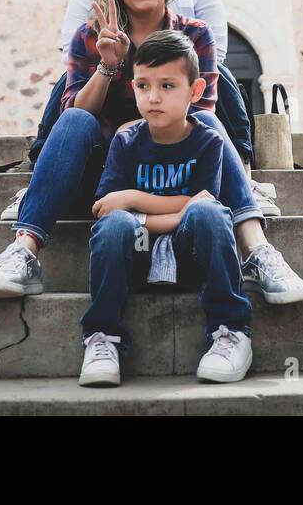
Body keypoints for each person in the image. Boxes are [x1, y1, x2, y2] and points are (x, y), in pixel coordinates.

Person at [0, 0, 303, 305]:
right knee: (72, 119)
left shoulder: (194, 36)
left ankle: (258, 252)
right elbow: (75, 115)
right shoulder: (91, 37)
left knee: (207, 122)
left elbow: (196, 117)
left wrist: (130, 129)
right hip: (109, 179)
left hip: (179, 171)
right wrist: (107, 66)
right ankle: (24, 252)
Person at [10, 0, 279, 217]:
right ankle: (41, 175)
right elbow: (73, 41)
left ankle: (242, 174)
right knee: (69, 83)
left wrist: (171, 68)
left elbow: (216, 42)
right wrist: (109, 60)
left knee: (220, 76)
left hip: (181, 80)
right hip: (116, 77)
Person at [79, 30, 252, 387]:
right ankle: (102, 338)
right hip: (135, 259)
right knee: (115, 228)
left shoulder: (208, 141)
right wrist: (172, 211)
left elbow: (204, 206)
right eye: (143, 86)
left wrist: (133, 200)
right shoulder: (126, 141)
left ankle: (231, 330)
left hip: (189, 256)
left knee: (210, 215)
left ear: (196, 91)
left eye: (167, 86)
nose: (153, 97)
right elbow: (107, 212)